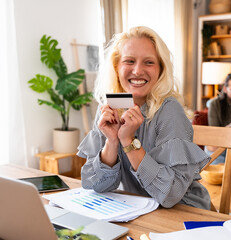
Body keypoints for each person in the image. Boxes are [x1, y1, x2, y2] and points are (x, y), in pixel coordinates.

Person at [77, 26, 211, 210]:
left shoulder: (169, 111)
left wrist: (128, 141)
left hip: (183, 212)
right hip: (138, 209)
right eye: (129, 61)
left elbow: (170, 194)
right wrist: (112, 141)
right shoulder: (109, 109)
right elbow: (96, 185)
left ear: (160, 69)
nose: (138, 70)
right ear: (117, 67)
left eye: (149, 62)